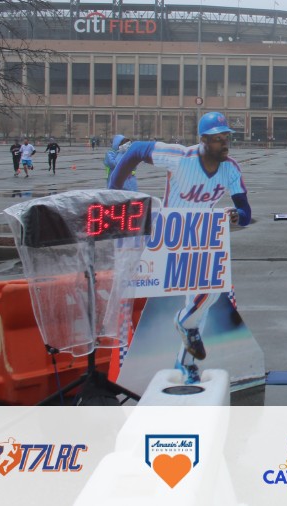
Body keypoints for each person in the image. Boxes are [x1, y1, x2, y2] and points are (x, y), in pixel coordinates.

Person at [108, 111, 252, 383]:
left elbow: (245, 212)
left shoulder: (230, 169)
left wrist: (237, 215)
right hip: (170, 236)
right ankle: (181, 343)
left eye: (226, 137)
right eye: (218, 138)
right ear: (203, 140)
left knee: (207, 297)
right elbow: (136, 150)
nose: (225, 143)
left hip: (201, 238)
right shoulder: (180, 157)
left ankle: (185, 348)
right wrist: (114, 187)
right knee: (193, 299)